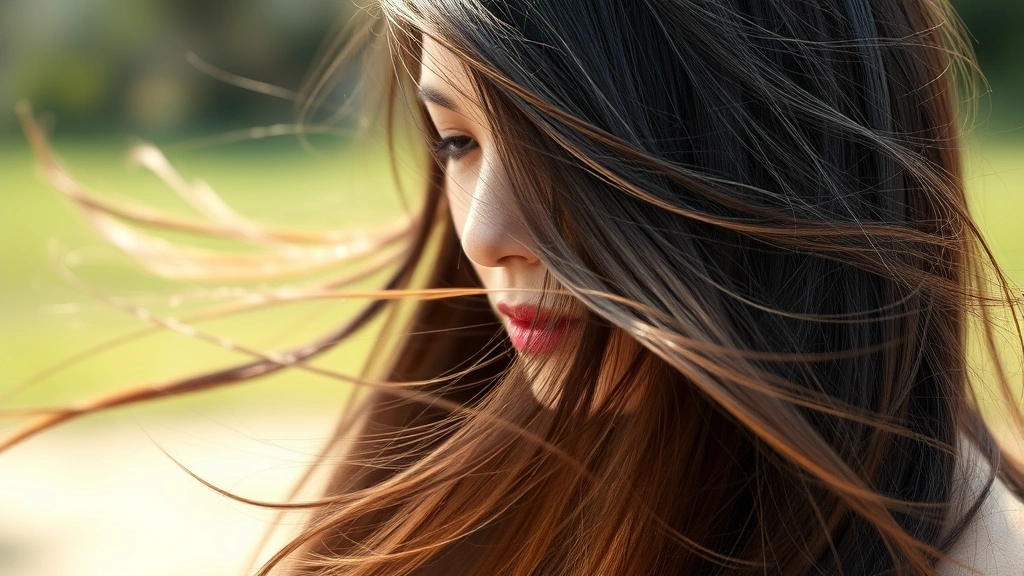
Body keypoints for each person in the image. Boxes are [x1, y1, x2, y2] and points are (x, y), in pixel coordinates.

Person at [9, 0, 1024, 574]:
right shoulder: (510, 489)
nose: (486, 232)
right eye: (457, 140)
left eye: (559, 152)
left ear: (775, 148)